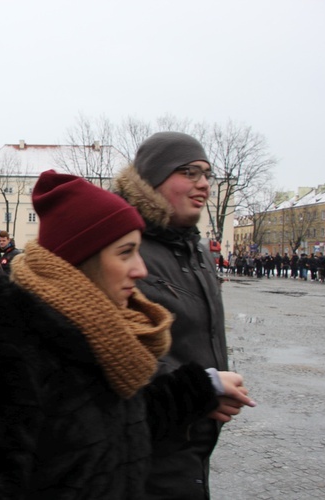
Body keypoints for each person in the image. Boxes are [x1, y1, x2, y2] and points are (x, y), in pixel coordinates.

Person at [0, 170, 254, 499]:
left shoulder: (101, 330)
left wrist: (202, 388)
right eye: (125, 252)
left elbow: (120, 423)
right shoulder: (14, 344)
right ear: (82, 260)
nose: (141, 269)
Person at [114, 131, 235, 498]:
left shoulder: (196, 251)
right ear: (152, 179)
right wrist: (204, 388)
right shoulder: (126, 247)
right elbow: (116, 354)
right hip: (144, 453)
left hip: (192, 447)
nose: (203, 185)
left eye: (207, 174)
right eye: (189, 172)